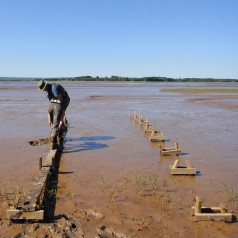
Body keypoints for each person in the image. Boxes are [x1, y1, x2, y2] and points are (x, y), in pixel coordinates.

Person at [37, 80, 70, 150]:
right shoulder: (48, 90)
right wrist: (50, 116)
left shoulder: (54, 88)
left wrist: (61, 115)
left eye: (43, 89)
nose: (43, 90)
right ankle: (53, 135)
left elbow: (60, 101)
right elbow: (50, 101)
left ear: (45, 86)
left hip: (64, 101)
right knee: (51, 122)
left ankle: (55, 142)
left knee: (58, 122)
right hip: (54, 102)